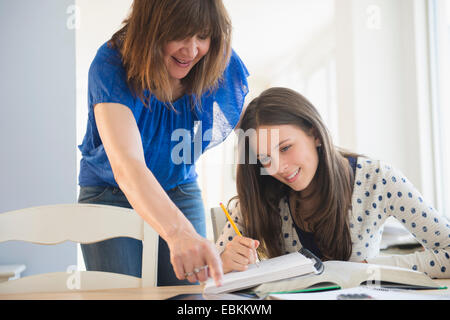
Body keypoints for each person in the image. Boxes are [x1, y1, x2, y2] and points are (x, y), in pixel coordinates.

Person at [77, 0, 249, 286]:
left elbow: (257, 131)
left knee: (188, 296)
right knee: (124, 294)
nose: (192, 50)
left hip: (179, 187)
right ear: (151, 29)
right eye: (180, 34)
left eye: (203, 36)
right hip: (109, 193)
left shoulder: (219, 62)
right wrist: (179, 233)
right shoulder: (110, 65)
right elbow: (127, 164)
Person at [216, 87, 450, 279]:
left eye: (286, 148)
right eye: (264, 159)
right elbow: (205, 271)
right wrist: (224, 262)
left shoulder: (378, 178)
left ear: (315, 134)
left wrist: (375, 267)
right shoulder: (260, 192)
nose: (277, 168)